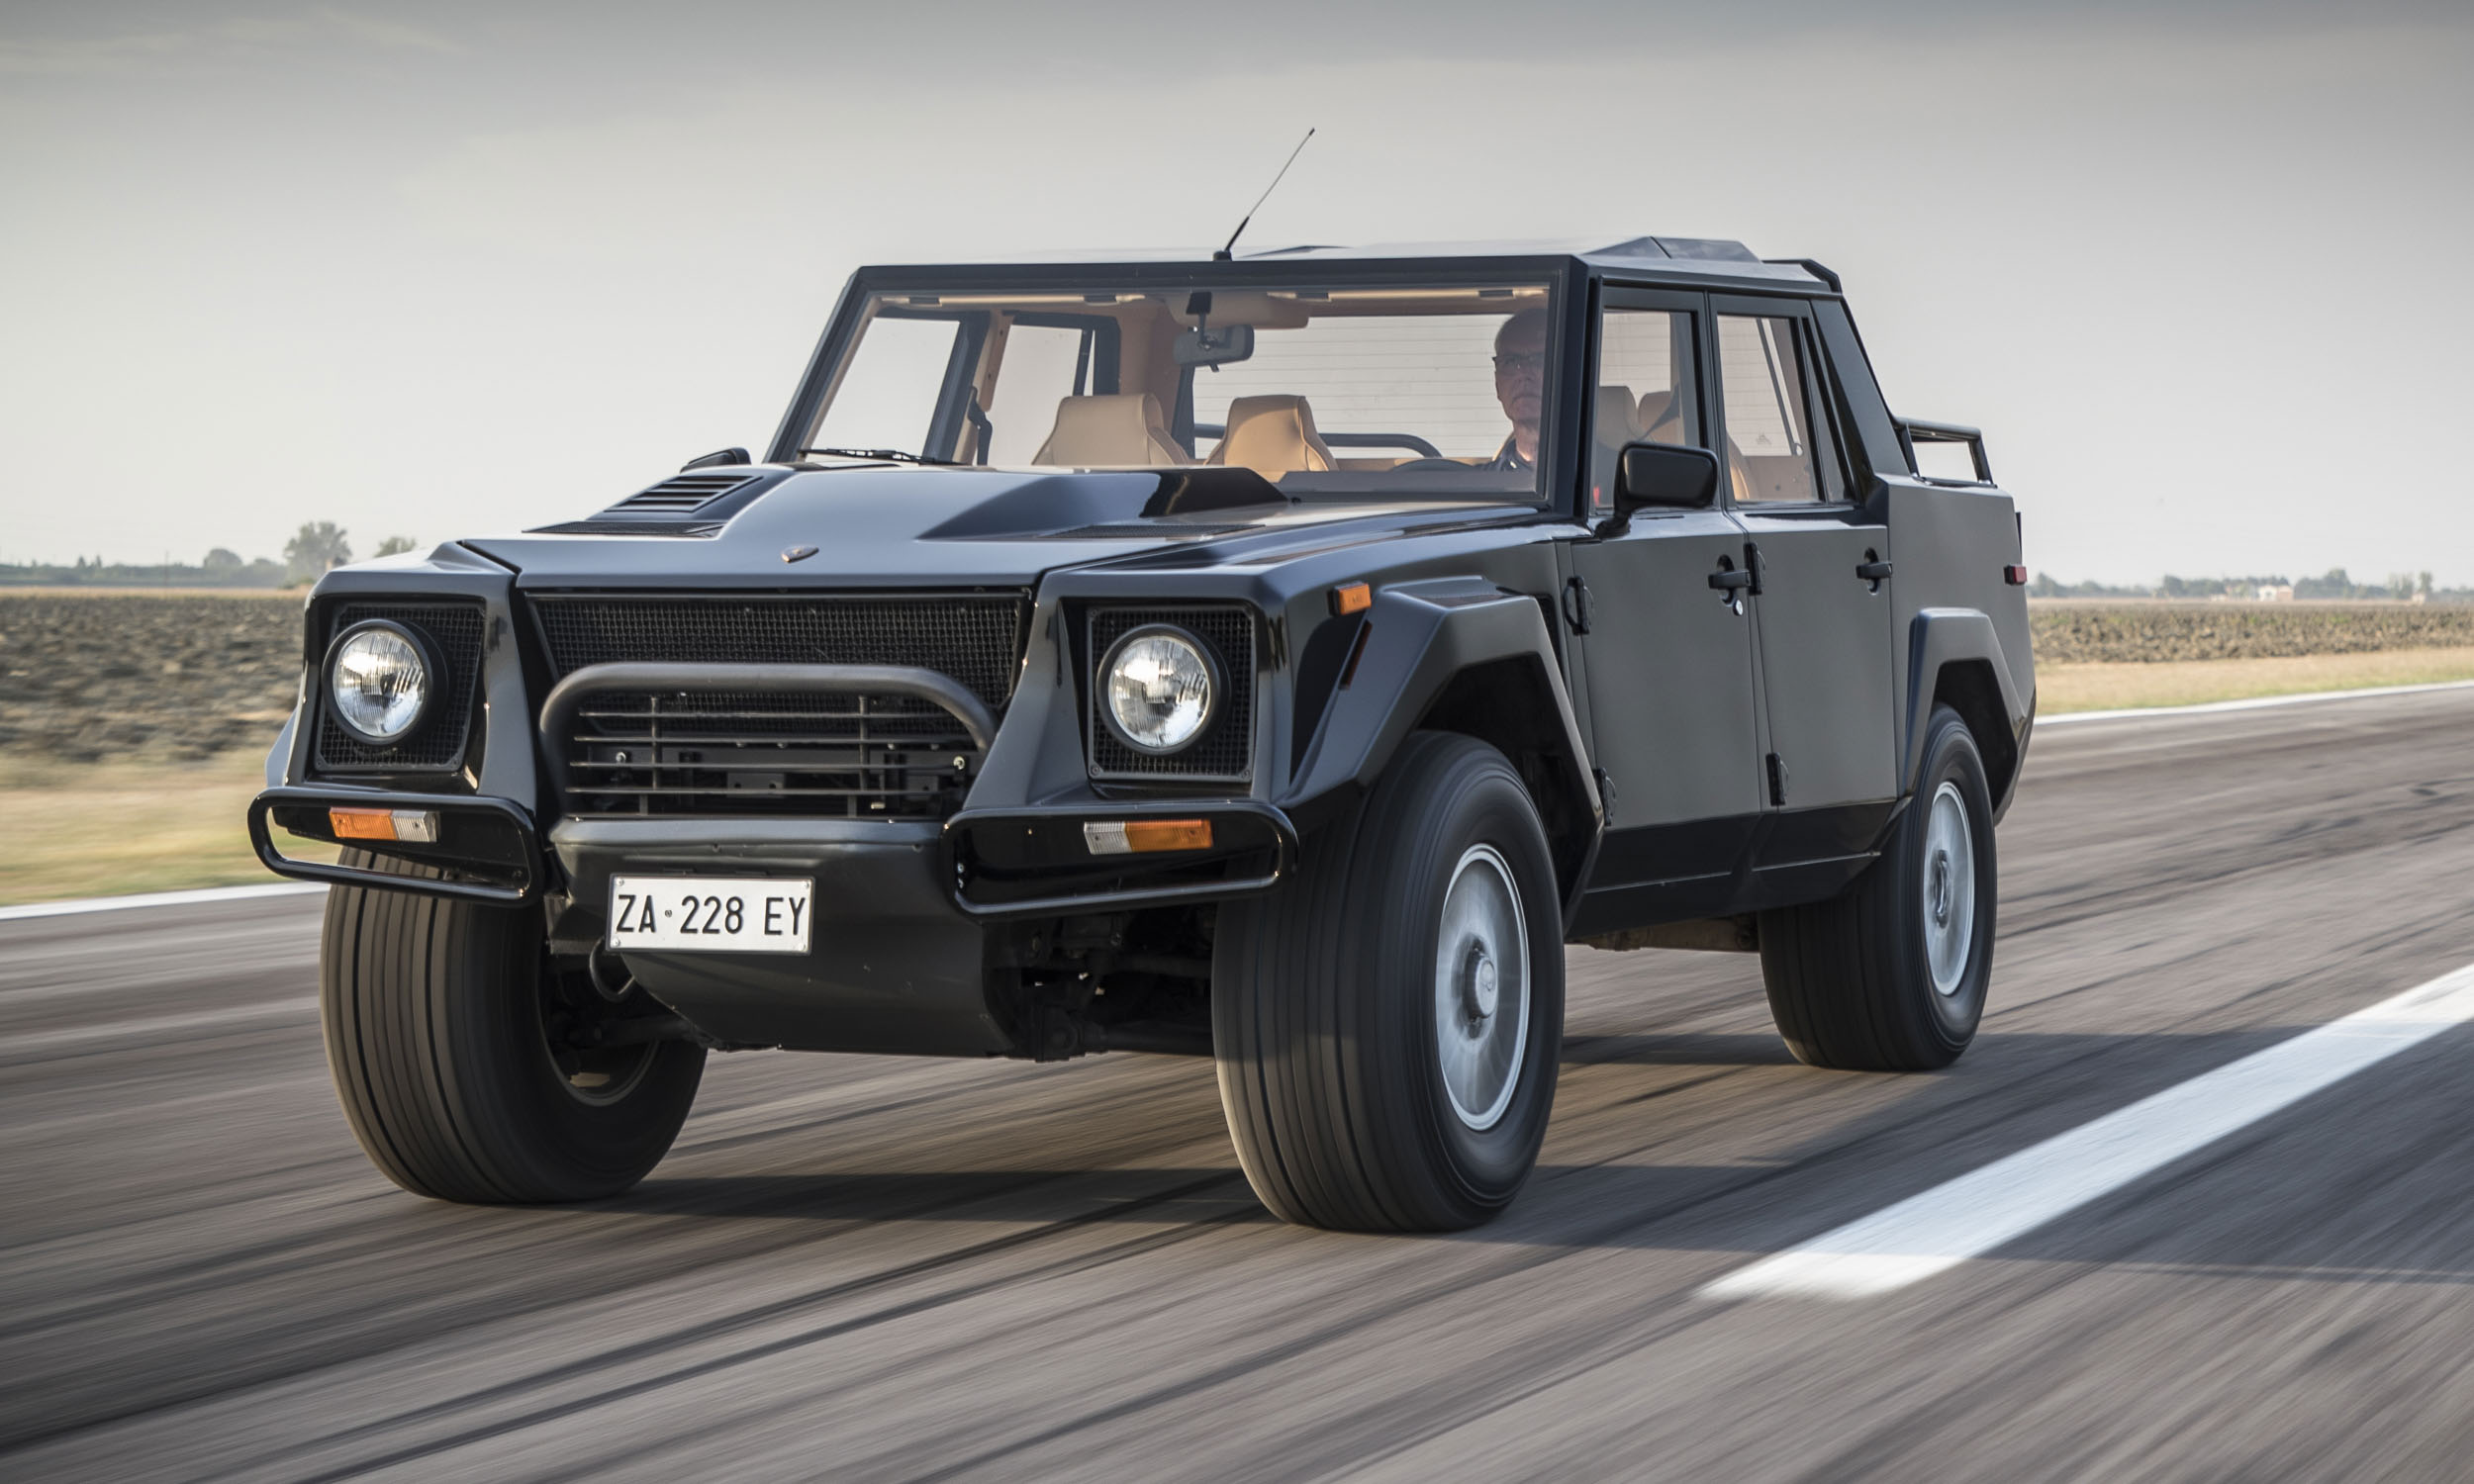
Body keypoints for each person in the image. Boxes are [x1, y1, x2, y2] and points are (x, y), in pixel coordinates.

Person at [1485, 308, 1549, 471]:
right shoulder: (1482, 484)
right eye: (1510, 362)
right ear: (1497, 385)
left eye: (1539, 360)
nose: (1523, 374)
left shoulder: (1614, 472)